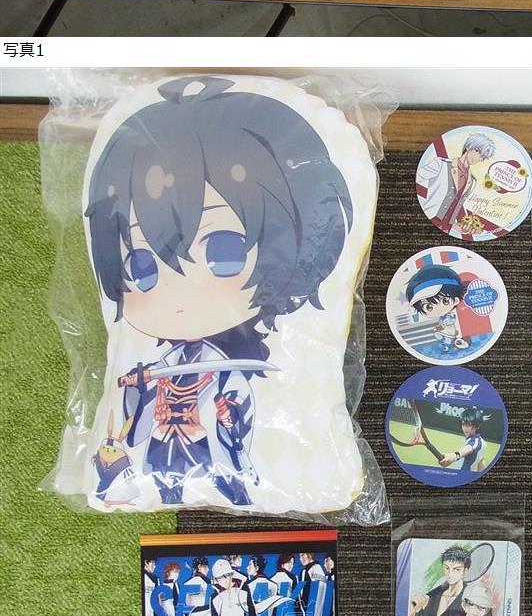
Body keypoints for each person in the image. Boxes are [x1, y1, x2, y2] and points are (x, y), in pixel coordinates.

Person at [84, 77, 356, 507]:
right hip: (163, 446)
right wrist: (138, 387)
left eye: (222, 251)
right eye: (142, 267)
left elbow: (239, 401)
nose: (180, 292)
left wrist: (230, 416)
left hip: (207, 441)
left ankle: (239, 483)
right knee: (157, 468)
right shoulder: (162, 364)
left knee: (229, 471)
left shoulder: (228, 368)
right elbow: (136, 409)